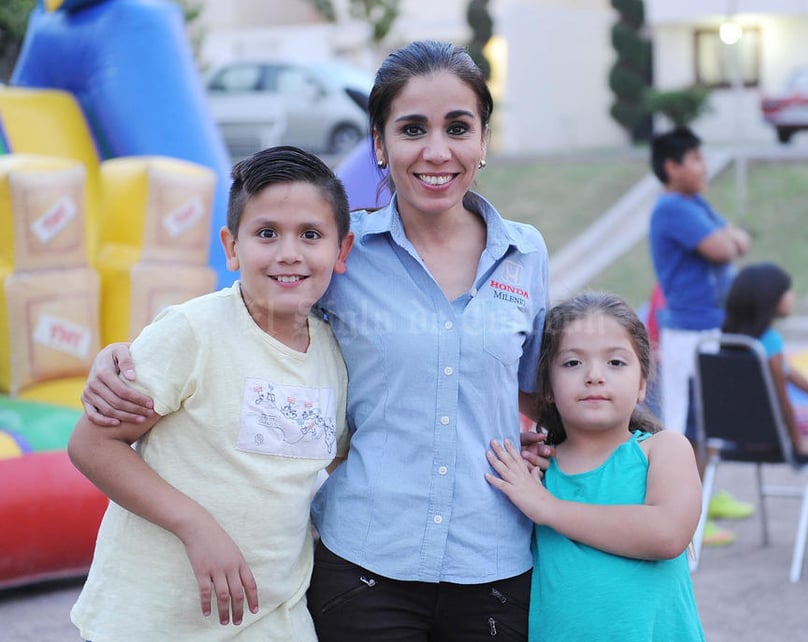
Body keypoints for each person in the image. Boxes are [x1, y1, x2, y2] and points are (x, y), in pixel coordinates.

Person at [80, 41, 551, 641]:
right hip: (367, 566)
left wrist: (546, 439)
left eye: (458, 128)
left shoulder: (525, 254)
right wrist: (118, 357)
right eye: (412, 129)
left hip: (494, 563)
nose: (437, 151)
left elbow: (531, 392)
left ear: (483, 138)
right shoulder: (341, 257)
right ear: (379, 144)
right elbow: (248, 309)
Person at [68, 146, 354, 641]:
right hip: (151, 621)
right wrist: (195, 524)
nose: (289, 252)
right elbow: (91, 445)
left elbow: (332, 460)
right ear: (232, 246)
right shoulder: (192, 331)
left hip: (273, 619)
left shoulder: (335, 352)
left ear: (341, 250)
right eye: (267, 233)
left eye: (310, 234)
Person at [486, 292, 705, 641]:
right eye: (572, 363)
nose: (594, 376)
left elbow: (667, 534)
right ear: (547, 388)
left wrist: (548, 508)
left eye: (616, 363)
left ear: (642, 383)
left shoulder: (664, 449)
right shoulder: (536, 471)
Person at [648, 125, 753, 545]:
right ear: (672, 167)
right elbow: (726, 248)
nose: (703, 166)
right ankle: (687, 513)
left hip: (712, 328)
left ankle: (706, 496)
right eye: (695, 159)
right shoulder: (672, 208)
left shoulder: (696, 202)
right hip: (687, 333)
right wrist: (728, 238)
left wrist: (729, 237)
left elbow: (738, 239)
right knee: (686, 424)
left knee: (711, 420)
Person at [722, 262, 808, 460]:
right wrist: (798, 442)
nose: (792, 296)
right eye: (786, 291)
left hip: (737, 433)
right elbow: (783, 401)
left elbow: (788, 372)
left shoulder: (730, 339)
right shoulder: (770, 342)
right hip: (772, 434)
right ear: (769, 299)